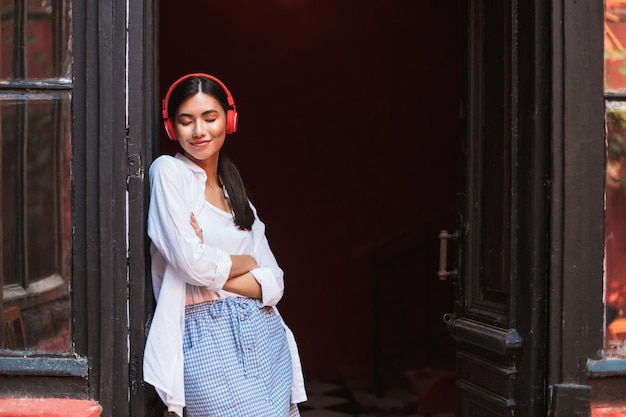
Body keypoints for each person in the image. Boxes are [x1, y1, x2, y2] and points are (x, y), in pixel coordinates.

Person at [143, 73, 306, 417]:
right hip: (205, 338)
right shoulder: (168, 173)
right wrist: (246, 262)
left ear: (229, 121)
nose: (199, 130)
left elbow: (275, 283)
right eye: (186, 121)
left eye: (210, 118)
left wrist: (213, 266)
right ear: (172, 128)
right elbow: (191, 263)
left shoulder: (237, 197)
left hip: (265, 337)